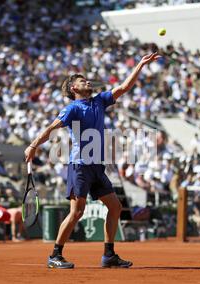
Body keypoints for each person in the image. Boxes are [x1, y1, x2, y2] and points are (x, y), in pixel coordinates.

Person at [24, 52, 161, 269]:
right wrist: (33, 146)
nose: (87, 81)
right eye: (81, 81)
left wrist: (140, 65)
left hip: (97, 166)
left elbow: (124, 87)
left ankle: (109, 255)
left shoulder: (99, 101)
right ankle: (55, 255)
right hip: (79, 166)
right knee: (77, 212)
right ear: (73, 89)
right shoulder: (72, 108)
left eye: (86, 79)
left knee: (115, 207)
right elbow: (51, 128)